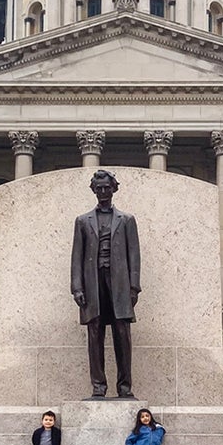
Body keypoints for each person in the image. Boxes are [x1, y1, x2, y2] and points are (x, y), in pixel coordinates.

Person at [70, 170, 141, 398]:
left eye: (106, 188)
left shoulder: (127, 220)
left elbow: (134, 255)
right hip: (93, 284)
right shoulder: (82, 221)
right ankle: (98, 387)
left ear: (113, 189)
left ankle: (125, 387)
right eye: (98, 188)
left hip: (119, 284)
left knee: (123, 335)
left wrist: (134, 287)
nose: (102, 192)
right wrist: (77, 288)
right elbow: (76, 257)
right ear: (93, 190)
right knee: (95, 335)